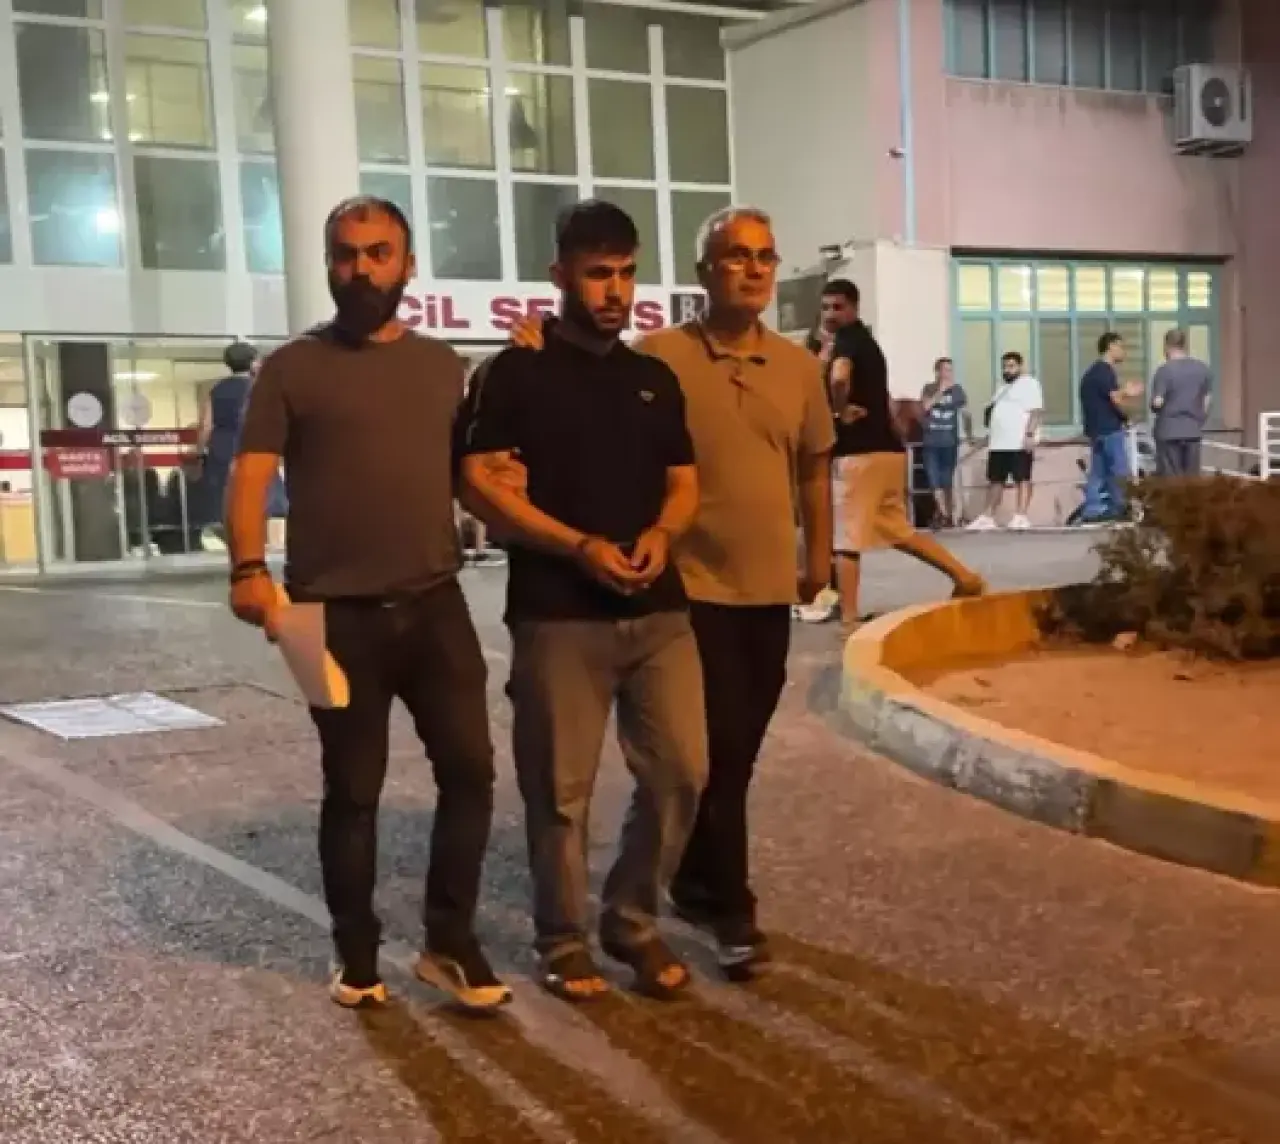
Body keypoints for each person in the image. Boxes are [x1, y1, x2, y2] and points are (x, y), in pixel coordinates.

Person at [506, 206, 834, 979]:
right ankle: (726, 904)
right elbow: (587, 368)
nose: (753, 269)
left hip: (764, 590)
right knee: (697, 761)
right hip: (685, 589)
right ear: (702, 273)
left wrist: (818, 554)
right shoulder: (661, 356)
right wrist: (533, 337)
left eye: (765, 256)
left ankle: (686, 880)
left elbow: (814, 469)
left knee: (730, 757)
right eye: (735, 256)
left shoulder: (798, 368)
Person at [224, 195, 511, 1013]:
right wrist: (248, 568)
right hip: (326, 617)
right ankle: (356, 958)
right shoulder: (290, 368)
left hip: (435, 603)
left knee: (471, 773)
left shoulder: (443, 366)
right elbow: (250, 474)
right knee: (352, 790)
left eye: (378, 253)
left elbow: (469, 477)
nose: (361, 270)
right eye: (346, 255)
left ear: (408, 264)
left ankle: (449, 944)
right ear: (328, 264)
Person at [457, 201, 706, 1002]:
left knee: (682, 772)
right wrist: (577, 546)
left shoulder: (653, 379)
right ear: (559, 275)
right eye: (598, 274)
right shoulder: (513, 374)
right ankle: (562, 939)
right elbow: (480, 485)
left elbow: (683, 482)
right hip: (557, 614)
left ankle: (631, 921)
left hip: (660, 611)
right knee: (560, 792)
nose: (615, 290)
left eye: (627, 273)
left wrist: (663, 534)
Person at [827, 285, 985, 625]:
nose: (830, 315)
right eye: (826, 308)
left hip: (859, 453)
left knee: (845, 538)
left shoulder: (847, 340)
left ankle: (849, 617)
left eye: (837, 307)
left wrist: (839, 409)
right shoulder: (870, 346)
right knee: (898, 529)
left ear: (854, 308)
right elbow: (886, 399)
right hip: (888, 452)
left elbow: (839, 378)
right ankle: (965, 577)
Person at [198, 341, 286, 541]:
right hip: (254, 446)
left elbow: (206, 425)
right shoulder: (260, 388)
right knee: (269, 499)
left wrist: (199, 450)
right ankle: (270, 547)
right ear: (253, 362)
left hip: (222, 450)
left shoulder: (216, 390)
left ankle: (239, 546)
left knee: (230, 502)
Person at [969, 351, 1043, 531]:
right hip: (998, 443)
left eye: (1011, 366)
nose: (1007, 370)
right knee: (996, 480)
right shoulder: (1002, 389)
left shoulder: (1029, 384)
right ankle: (988, 516)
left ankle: (1021, 516)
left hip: (1018, 442)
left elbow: (1036, 412)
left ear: (1020, 367)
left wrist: (1029, 435)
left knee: (1022, 478)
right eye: (1004, 367)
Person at [1080, 332, 1142, 523]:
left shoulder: (1091, 372)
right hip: (1109, 429)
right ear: (1111, 346)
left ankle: (1093, 509)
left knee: (1098, 472)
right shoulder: (1104, 371)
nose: (1124, 352)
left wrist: (1124, 415)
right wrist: (1127, 394)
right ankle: (1119, 507)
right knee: (1118, 470)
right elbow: (1115, 398)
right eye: (1121, 347)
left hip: (1096, 430)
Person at [1150, 328, 1212, 476]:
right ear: (1185, 345)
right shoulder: (1202, 368)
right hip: (1192, 430)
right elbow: (1207, 400)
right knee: (1191, 479)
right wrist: (1199, 420)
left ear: (1166, 346)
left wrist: (1153, 406)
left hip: (1168, 431)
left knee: (1171, 479)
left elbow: (1158, 402)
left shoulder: (1164, 371)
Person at [919, 357, 971, 527]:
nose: (949, 374)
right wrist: (940, 391)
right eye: (945, 370)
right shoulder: (929, 388)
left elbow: (966, 414)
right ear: (937, 372)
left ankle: (948, 513)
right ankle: (942, 512)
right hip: (931, 440)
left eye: (950, 370)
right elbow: (926, 407)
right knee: (934, 479)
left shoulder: (957, 390)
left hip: (949, 441)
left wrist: (969, 434)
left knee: (947, 479)